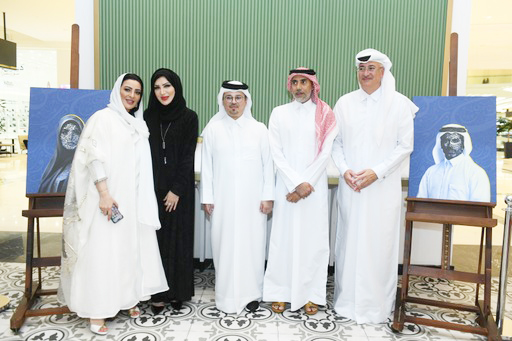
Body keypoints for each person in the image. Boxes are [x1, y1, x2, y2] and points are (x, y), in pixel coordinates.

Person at [58, 74, 168, 335]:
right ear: (117, 90)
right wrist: (104, 194)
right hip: (106, 199)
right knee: (103, 252)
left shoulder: (135, 123)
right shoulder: (102, 118)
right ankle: (97, 310)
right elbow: (93, 158)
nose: (131, 95)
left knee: (126, 251)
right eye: (127, 90)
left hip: (130, 199)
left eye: (137, 92)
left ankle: (123, 299)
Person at [331, 48, 418, 324]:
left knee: (379, 246)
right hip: (351, 187)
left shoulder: (400, 104)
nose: (365, 74)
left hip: (382, 189)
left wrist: (376, 173)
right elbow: (336, 143)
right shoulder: (344, 103)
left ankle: (375, 307)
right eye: (361, 69)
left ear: (383, 72)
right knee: (349, 244)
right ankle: (346, 303)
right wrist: (345, 171)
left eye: (371, 68)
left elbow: (405, 146)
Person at [263, 68, 337, 315]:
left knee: (312, 241)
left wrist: (305, 185)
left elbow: (326, 152)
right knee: (283, 239)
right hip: (287, 187)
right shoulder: (278, 113)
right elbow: (276, 153)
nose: (298, 87)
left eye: (303, 82)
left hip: (313, 190)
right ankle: (280, 292)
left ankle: (310, 295)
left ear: (313, 85)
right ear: (289, 85)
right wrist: (296, 183)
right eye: (294, 82)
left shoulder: (326, 114)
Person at [201, 80, 274, 314]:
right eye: (228, 98)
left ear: (246, 100)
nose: (233, 102)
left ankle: (252, 295)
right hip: (222, 202)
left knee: (251, 247)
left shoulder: (260, 129)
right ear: (222, 100)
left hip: (253, 203)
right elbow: (207, 168)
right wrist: (208, 198)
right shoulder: (213, 129)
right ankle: (225, 296)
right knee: (224, 246)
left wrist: (268, 196)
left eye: (238, 97)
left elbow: (268, 167)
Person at [144, 68, 198, 313]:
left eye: (167, 86)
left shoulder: (189, 117)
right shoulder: (146, 117)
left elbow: (188, 156)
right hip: (152, 190)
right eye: (157, 87)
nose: (162, 92)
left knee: (179, 241)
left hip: (180, 191)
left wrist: (176, 189)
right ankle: (157, 294)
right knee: (156, 243)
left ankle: (177, 292)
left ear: (176, 87)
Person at [417, 124, 491, 202]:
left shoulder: (476, 173)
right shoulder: (431, 172)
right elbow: (420, 204)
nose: (449, 145)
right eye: (445, 141)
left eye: (455, 141)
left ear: (464, 144)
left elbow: (479, 210)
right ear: (440, 144)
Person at [38, 114, 84, 193]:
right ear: (59, 135)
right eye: (65, 132)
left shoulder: (88, 165)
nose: (70, 137)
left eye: (76, 132)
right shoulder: (54, 168)